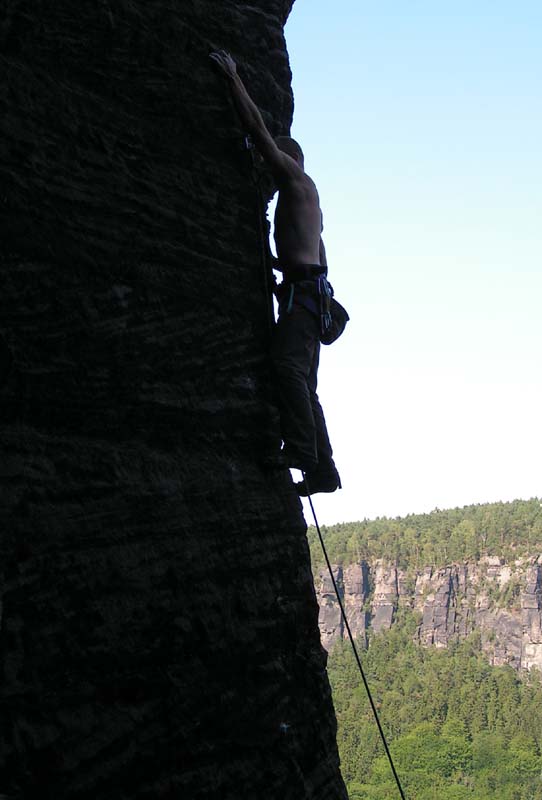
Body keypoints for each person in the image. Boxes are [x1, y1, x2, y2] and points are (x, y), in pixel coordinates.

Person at [210, 50, 341, 496]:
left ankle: (304, 454)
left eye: (275, 163)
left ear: (290, 161)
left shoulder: (297, 182)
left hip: (304, 301)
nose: (268, 169)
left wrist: (234, 79)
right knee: (304, 382)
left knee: (286, 366)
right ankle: (324, 471)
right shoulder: (308, 204)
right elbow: (311, 254)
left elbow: (261, 136)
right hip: (310, 296)